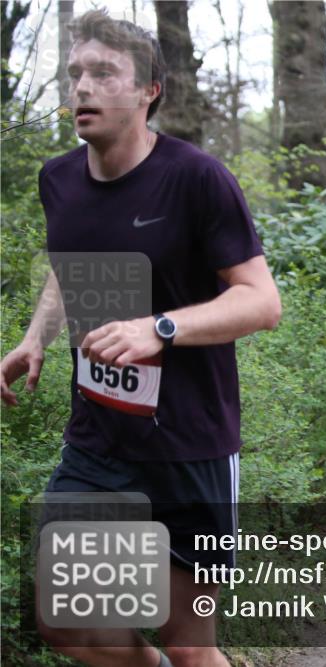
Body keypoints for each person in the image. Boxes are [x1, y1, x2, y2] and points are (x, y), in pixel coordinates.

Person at [0, 9, 281, 667]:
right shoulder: (59, 179)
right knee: (69, 620)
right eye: (75, 74)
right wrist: (35, 336)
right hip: (98, 442)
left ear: (150, 88)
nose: (83, 88)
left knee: (188, 644)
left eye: (104, 73)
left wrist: (162, 328)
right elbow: (72, 264)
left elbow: (262, 301)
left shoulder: (195, 178)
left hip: (189, 444)